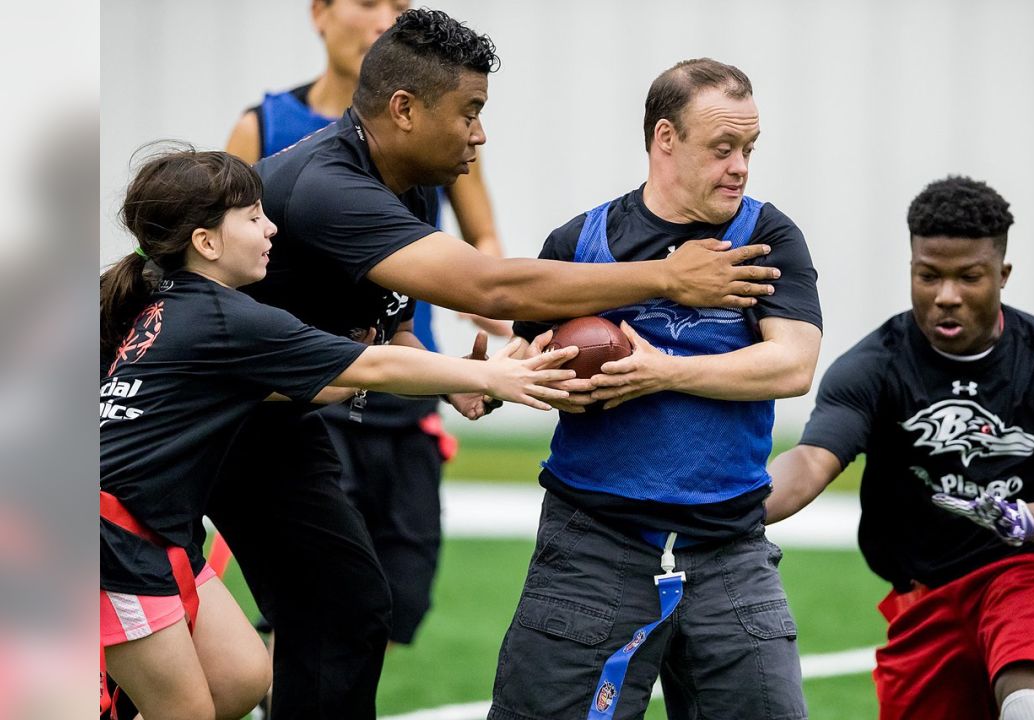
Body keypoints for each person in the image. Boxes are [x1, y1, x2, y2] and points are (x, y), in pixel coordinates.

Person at [204, 10, 780, 720]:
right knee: (204, 653)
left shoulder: (401, 183)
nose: (481, 132)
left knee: (348, 608)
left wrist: (464, 383)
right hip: (189, 426)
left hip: (276, 426)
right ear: (405, 110)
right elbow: (490, 286)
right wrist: (666, 278)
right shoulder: (331, 186)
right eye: (469, 112)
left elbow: (389, 332)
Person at [98, 148, 577, 720]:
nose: (271, 226)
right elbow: (367, 367)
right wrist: (492, 373)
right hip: (115, 540)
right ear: (206, 242)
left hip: (153, 533)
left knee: (243, 678)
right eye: (253, 217)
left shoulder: (170, 300)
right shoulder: (226, 318)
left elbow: (324, 382)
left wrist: (455, 382)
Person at [491, 58, 822, 720]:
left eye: (749, 150)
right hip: (591, 545)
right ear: (665, 139)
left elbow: (792, 365)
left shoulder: (763, 237)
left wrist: (662, 371)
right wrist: (506, 381)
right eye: (722, 148)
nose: (740, 167)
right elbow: (526, 351)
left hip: (730, 549)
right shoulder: (579, 242)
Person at [765, 176, 1034, 720]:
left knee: (1028, 692)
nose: (947, 295)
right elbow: (811, 460)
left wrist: (1024, 520)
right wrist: (735, 505)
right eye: (928, 276)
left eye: (969, 277)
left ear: (1001, 275)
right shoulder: (874, 366)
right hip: (928, 592)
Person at [223, 0, 511, 655]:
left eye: (398, 5)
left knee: (388, 600)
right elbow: (207, 245)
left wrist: (483, 333)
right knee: (325, 593)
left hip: (398, 374)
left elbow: (480, 248)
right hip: (301, 396)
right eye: (367, 2)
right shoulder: (270, 129)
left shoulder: (428, 151)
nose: (384, 16)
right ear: (320, 14)